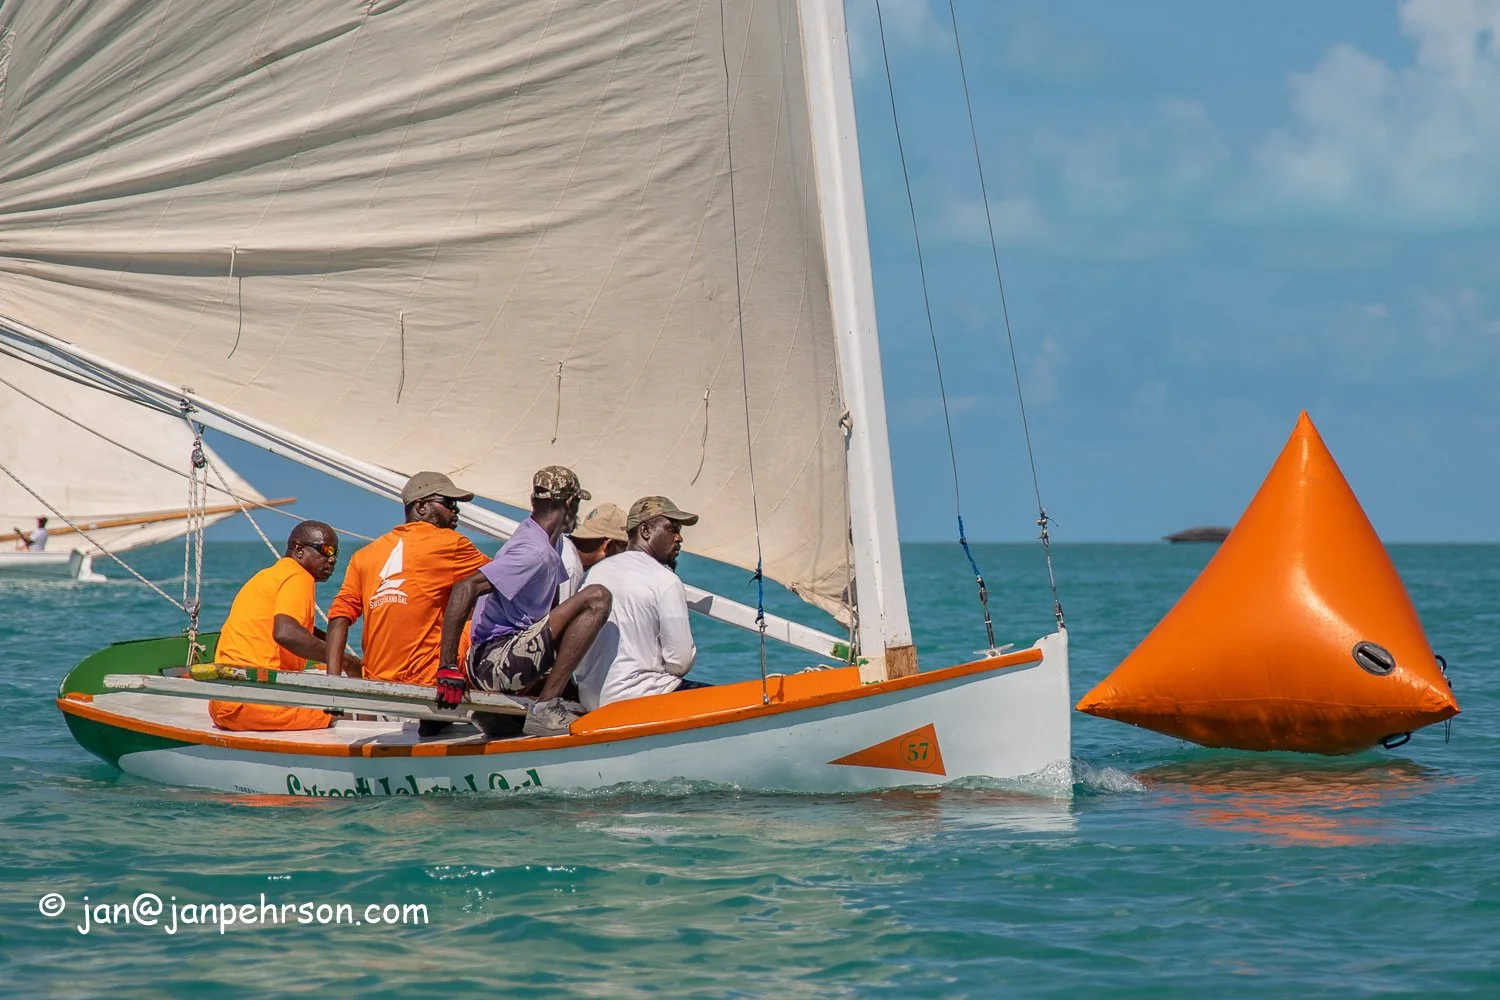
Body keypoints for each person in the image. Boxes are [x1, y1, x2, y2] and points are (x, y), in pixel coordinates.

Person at [437, 466, 611, 737]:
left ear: (533, 501)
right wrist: (447, 666)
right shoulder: (534, 551)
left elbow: (553, 619)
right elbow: (465, 587)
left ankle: (520, 712)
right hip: (492, 662)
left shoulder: (545, 543)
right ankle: (545, 709)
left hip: (504, 656)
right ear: (569, 503)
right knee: (597, 598)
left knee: (574, 615)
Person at [325, 472, 490, 700]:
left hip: (376, 678)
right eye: (448, 503)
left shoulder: (364, 556)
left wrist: (332, 684)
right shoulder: (452, 543)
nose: (456, 510)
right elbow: (506, 578)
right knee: (487, 615)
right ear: (421, 507)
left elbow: (339, 616)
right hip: (426, 678)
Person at [207, 521, 357, 731]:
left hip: (224, 703)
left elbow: (297, 629)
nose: (332, 559)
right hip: (255, 703)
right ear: (298, 549)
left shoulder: (267, 576)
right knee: (355, 712)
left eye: (336, 553)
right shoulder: (299, 576)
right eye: (326, 550)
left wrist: (338, 651)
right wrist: (344, 661)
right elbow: (286, 633)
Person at [571, 496, 710, 712]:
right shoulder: (665, 580)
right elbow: (680, 661)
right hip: (640, 700)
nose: (679, 537)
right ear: (645, 531)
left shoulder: (594, 574)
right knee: (729, 700)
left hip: (591, 699)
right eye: (672, 529)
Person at [557, 502, 629, 601]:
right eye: (622, 548)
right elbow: (559, 615)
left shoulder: (561, 543)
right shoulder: (571, 569)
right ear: (608, 545)